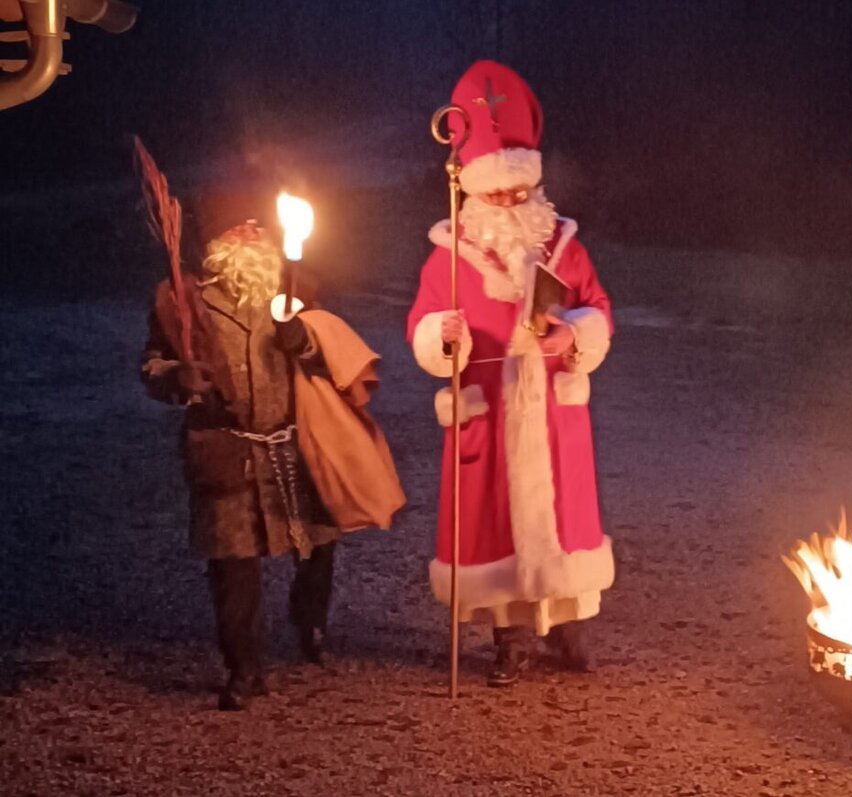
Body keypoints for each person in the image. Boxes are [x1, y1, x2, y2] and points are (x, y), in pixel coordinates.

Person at [141, 187, 403, 709]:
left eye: (256, 227)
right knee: (233, 564)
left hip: (295, 443)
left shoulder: (295, 288)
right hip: (226, 449)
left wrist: (300, 340)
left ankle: (310, 622)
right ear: (214, 241)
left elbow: (327, 352)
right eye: (236, 228)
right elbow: (150, 366)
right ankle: (245, 668)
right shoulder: (180, 300)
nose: (250, 234)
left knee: (320, 542)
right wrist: (178, 375)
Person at [407, 60, 615, 687]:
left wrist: (572, 331)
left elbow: (596, 309)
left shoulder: (564, 244)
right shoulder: (451, 256)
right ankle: (509, 639)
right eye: (496, 193)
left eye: (517, 192)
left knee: (562, 520)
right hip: (489, 407)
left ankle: (566, 626)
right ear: (472, 188)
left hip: (551, 405)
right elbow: (426, 325)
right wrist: (442, 338)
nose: (507, 202)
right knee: (496, 524)